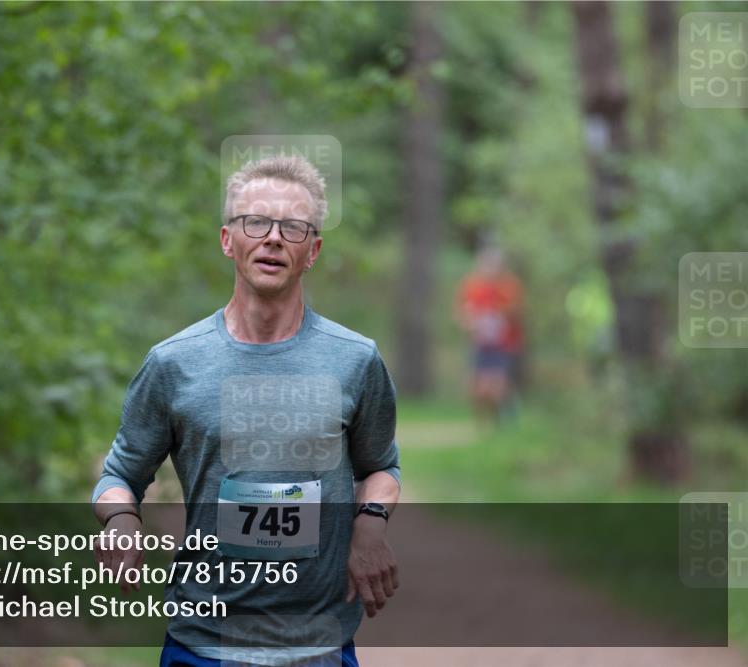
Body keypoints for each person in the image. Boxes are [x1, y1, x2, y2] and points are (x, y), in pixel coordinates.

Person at [91, 155, 401, 667]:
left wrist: (370, 523)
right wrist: (121, 520)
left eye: (293, 227)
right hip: (204, 644)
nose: (274, 238)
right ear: (227, 240)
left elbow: (381, 468)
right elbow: (119, 474)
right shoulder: (174, 362)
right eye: (255, 222)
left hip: (318, 646)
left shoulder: (355, 360)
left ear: (313, 251)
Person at [455, 247, 524, 425]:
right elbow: (462, 313)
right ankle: (484, 423)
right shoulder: (472, 286)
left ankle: (504, 418)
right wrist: (470, 321)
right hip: (480, 343)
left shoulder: (509, 287)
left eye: (495, 265)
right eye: (487, 265)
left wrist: (501, 315)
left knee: (497, 385)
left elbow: (518, 312)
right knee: (477, 387)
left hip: (502, 344)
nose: (491, 269)